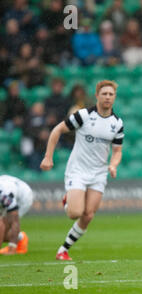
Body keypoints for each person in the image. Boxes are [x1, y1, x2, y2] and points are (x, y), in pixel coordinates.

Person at [40, 80, 124, 261]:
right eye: (104, 94)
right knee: (75, 213)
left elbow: (117, 151)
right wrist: (48, 157)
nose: (108, 97)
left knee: (88, 215)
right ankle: (67, 201)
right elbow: (57, 130)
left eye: (111, 94)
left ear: (114, 97)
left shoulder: (117, 123)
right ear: (97, 96)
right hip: (78, 170)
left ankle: (63, 249)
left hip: (99, 173)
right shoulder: (84, 115)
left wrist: (113, 165)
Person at [0, 174, 33, 255]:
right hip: (10, 186)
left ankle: (18, 240)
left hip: (23, 197)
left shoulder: (5, 197)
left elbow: (15, 221)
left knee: (6, 225)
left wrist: (12, 248)